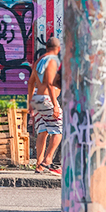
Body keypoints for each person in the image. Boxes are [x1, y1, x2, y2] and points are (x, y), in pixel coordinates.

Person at [27, 37, 62, 174]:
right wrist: (55, 105)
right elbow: (49, 83)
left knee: (43, 131)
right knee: (59, 130)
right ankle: (48, 161)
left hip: (37, 98)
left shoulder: (38, 61)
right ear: (58, 49)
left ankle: (39, 166)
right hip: (47, 99)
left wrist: (31, 103)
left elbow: (30, 83)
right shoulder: (52, 61)